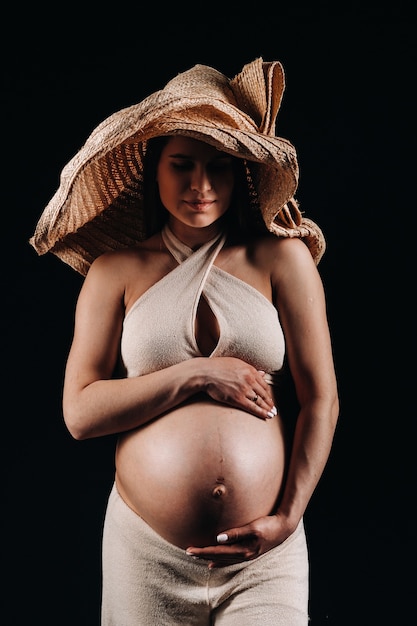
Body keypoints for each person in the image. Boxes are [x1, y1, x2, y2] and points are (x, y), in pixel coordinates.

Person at [30, 58, 339, 625]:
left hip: (264, 556)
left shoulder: (282, 258)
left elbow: (322, 398)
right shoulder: (115, 271)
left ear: (240, 173)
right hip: (144, 553)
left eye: (219, 168)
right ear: (154, 168)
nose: (201, 186)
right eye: (182, 166)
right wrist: (194, 375)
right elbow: (79, 412)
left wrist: (288, 517)